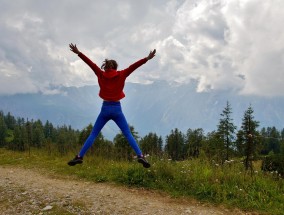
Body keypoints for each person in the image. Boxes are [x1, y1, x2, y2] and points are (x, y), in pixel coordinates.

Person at [67, 43, 156, 168]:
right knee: (128, 134)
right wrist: (147, 58)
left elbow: (90, 63)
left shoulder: (100, 74)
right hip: (117, 109)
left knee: (93, 134)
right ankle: (140, 156)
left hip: (105, 109)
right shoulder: (122, 74)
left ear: (106, 67)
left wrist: (78, 53)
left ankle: (80, 156)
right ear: (115, 67)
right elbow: (134, 66)